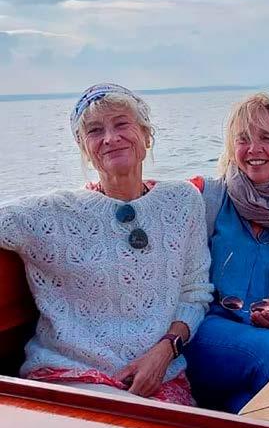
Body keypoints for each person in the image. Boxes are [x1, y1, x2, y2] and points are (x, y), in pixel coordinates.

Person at [0, 83, 212, 405]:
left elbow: (194, 293)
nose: (110, 138)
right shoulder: (52, 213)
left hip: (161, 376)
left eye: (121, 123)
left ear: (146, 135)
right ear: (84, 148)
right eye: (95, 131)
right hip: (71, 374)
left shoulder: (183, 201)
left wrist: (165, 350)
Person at [185, 93, 269, 412]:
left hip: (251, 343)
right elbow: (152, 200)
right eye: (243, 139)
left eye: (266, 138)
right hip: (201, 332)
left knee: (245, 407)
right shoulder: (206, 197)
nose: (254, 149)